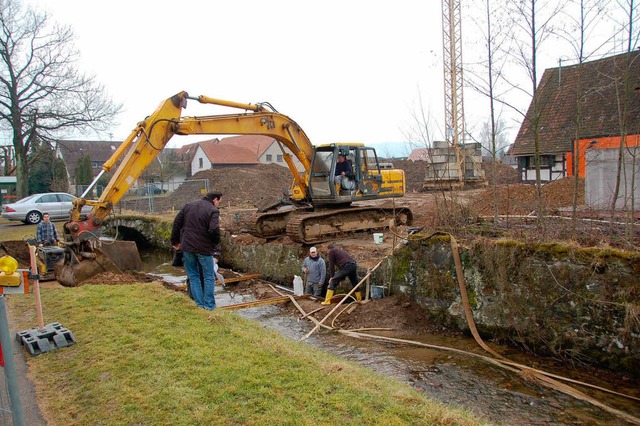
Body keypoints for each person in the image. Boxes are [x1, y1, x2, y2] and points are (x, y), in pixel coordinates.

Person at [171, 191, 222, 310]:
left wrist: (175, 242)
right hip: (203, 248)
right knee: (208, 276)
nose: (218, 204)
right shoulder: (213, 210)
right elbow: (214, 230)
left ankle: (199, 305)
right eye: (219, 201)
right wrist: (214, 245)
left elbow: (176, 223)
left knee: (193, 276)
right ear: (215, 199)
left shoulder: (188, 205)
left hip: (187, 246)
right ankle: (209, 306)